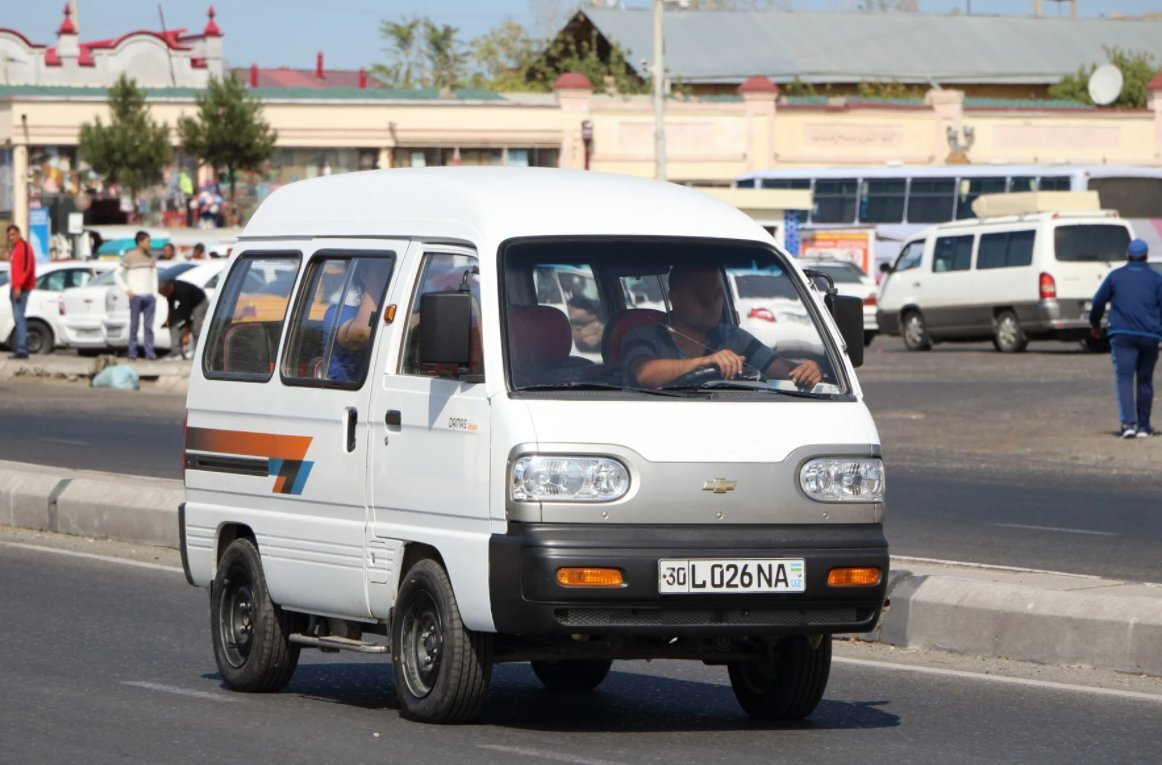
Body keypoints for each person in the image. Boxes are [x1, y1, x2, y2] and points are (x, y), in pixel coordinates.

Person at [625, 266, 823, 388]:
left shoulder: (734, 338)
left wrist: (806, 370)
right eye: (701, 296)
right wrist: (706, 362)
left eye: (718, 294)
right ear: (675, 298)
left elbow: (782, 369)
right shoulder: (643, 335)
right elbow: (645, 374)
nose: (712, 304)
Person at [1089, 238, 1162, 439]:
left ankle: (1128, 424)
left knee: (1125, 378)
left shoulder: (1115, 277)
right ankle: (1144, 427)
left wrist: (1095, 324)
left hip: (1122, 335)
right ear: (1146, 256)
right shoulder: (1157, 279)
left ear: (1127, 255)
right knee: (1145, 380)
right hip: (1150, 335)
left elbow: (1097, 302)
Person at [322, 262, 391, 382]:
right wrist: (373, 281)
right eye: (383, 274)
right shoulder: (337, 313)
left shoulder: (396, 317)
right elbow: (362, 332)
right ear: (364, 276)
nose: (388, 279)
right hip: (343, 395)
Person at [115, 231, 160, 361]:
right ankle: (132, 353)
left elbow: (154, 276)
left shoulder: (151, 257)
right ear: (140, 242)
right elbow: (117, 274)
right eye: (148, 241)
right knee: (134, 326)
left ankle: (149, 353)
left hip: (149, 297)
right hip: (136, 296)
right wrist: (127, 290)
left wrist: (155, 293)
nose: (149, 244)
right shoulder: (130, 256)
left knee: (149, 327)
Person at [159, 279, 208, 360]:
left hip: (199, 303)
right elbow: (171, 307)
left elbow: (187, 315)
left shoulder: (182, 292)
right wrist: (168, 320)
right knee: (174, 323)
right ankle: (176, 352)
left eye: (164, 294)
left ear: (167, 289)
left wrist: (185, 333)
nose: (164, 296)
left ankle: (198, 355)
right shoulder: (169, 293)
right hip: (187, 305)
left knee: (197, 328)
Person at [6, 224, 35, 359]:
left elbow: (25, 268)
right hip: (15, 287)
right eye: (9, 235)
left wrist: (18, 285)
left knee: (19, 318)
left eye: (13, 235)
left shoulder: (23, 247)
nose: (11, 238)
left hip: (21, 288)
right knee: (18, 319)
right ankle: (20, 347)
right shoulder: (16, 248)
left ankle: (22, 349)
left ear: (18, 234)